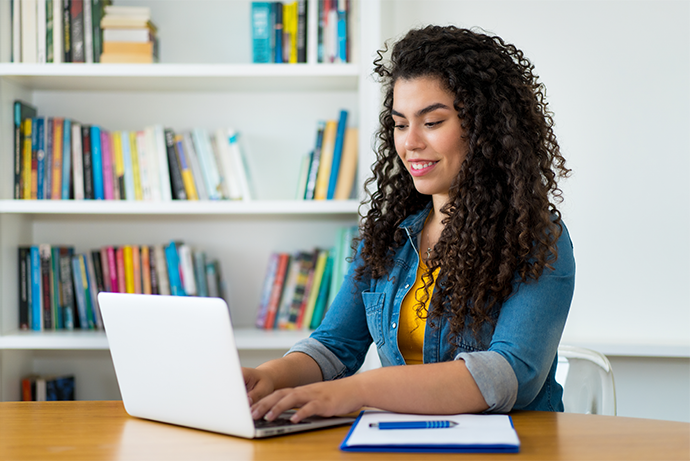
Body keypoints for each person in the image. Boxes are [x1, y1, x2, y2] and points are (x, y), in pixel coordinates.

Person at [244, 24, 575, 423]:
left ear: (487, 129)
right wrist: (268, 377)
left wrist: (358, 390)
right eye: (400, 124)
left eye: (432, 122)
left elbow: (509, 374)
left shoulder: (537, 238)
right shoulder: (389, 237)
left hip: (517, 445)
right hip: (402, 439)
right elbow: (333, 345)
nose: (410, 142)